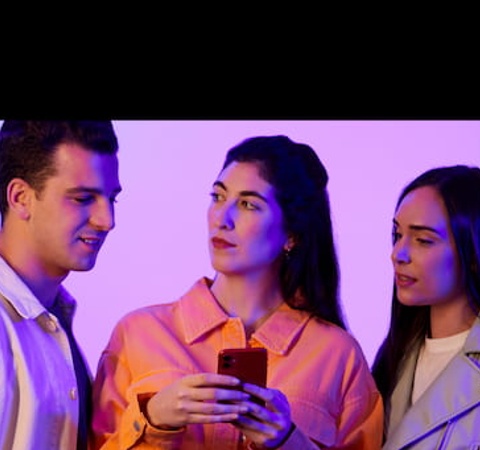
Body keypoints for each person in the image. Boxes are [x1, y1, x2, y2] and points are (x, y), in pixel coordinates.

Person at [91, 135, 383, 450]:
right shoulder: (138, 334)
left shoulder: (337, 355)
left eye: (247, 204)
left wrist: (289, 441)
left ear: (292, 235)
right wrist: (154, 420)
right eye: (217, 197)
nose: (222, 218)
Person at [0, 121, 122, 450]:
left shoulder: (56, 316)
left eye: (112, 198)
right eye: (83, 198)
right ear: (20, 197)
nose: (107, 220)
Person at [371, 165, 480, 449]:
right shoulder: (393, 359)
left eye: (423, 240)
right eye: (397, 235)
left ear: (473, 252)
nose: (398, 254)